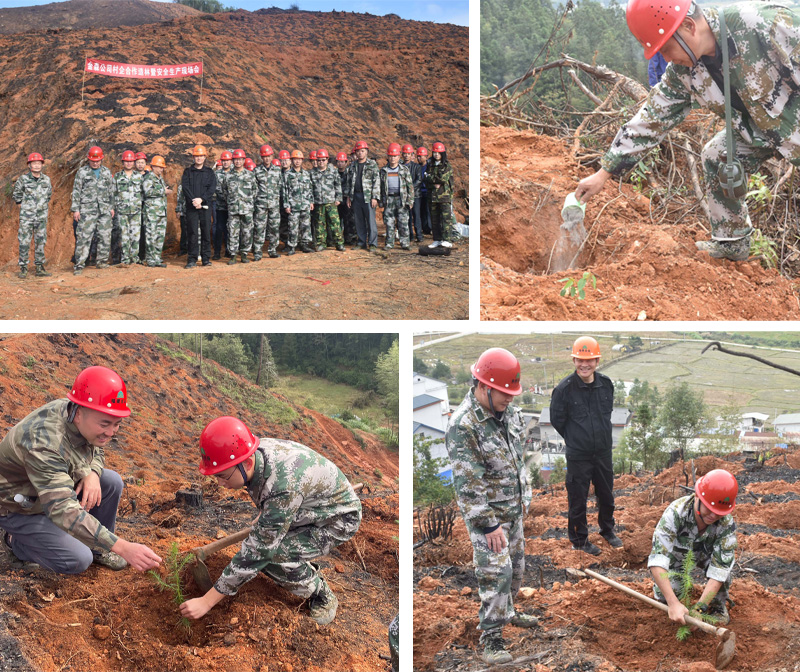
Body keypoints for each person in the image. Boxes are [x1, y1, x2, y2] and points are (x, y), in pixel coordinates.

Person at [576, 0, 800, 261]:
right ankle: (733, 242)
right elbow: (651, 118)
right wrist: (604, 173)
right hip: (760, 131)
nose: (666, 58)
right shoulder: (684, 71)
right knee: (718, 155)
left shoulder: (761, 24)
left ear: (688, 26)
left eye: (667, 48)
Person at [178, 417, 362, 626]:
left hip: (336, 518)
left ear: (246, 463)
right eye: (215, 477)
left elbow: (258, 552)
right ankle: (296, 559)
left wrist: (207, 601)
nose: (220, 483)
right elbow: (272, 496)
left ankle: (321, 594)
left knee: (272, 556)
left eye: (223, 476)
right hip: (305, 506)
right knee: (267, 543)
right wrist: (270, 513)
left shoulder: (283, 485)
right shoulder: (250, 452)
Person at [0, 366, 162, 575]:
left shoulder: (77, 413)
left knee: (110, 482)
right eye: (105, 424)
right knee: (77, 559)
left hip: (48, 487)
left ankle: (99, 547)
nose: (111, 432)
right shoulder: (45, 443)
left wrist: (92, 473)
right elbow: (62, 509)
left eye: (117, 424)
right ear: (79, 414)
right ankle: (16, 543)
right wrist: (122, 547)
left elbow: (96, 449)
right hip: (19, 506)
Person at [446, 348, 537, 665]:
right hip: (488, 518)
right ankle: (492, 640)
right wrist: (489, 525)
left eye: (513, 393)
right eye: (504, 393)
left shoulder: (509, 412)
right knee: (496, 576)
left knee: (516, 572)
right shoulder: (464, 426)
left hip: (513, 510)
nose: (510, 399)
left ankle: (509, 611)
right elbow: (468, 486)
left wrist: (523, 494)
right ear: (483, 386)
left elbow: (516, 454)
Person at [549, 337, 622, 556]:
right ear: (573, 359)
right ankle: (579, 540)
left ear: (597, 360)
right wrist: (576, 439)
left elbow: (606, 415)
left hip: (602, 452)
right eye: (580, 360)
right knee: (578, 499)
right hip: (578, 455)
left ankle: (607, 530)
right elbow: (557, 420)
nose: (584, 365)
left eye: (589, 360)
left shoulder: (606, 384)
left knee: (607, 495)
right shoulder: (564, 390)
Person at [649, 469, 738, 625]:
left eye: (718, 513)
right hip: (678, 558)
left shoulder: (726, 523)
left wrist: (700, 608)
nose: (713, 516)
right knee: (667, 594)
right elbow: (657, 560)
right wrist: (673, 602)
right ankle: (672, 601)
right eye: (709, 509)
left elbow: (720, 569)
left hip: (707, 557)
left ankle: (717, 607)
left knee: (725, 574)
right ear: (698, 496)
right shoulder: (675, 513)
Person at [71, 146, 116, 275]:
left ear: (101, 159)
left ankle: (101, 262)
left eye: (97, 161)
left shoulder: (107, 172)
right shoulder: (82, 172)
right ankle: (79, 264)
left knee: (105, 236)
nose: (95, 163)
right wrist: (76, 209)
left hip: (104, 210)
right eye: (93, 161)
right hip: (87, 210)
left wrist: (111, 207)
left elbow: (111, 191)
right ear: (88, 160)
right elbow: (76, 191)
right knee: (84, 237)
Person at [13, 152, 52, 279]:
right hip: (27, 217)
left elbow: (48, 195)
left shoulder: (46, 180)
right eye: (33, 163)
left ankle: (39, 267)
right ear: (29, 165)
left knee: (40, 241)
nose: (36, 165)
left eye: (38, 163)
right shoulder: (23, 179)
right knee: (24, 242)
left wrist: (40, 209)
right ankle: (23, 268)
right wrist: (25, 209)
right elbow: (17, 195)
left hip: (41, 217)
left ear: (42, 165)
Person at [181, 144, 216, 269]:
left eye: (201, 156)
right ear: (193, 157)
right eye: (197, 156)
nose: (199, 158)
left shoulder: (209, 172)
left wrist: (201, 199)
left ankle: (206, 259)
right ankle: (192, 259)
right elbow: (185, 187)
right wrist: (194, 201)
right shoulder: (187, 172)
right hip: (192, 207)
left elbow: (212, 188)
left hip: (205, 206)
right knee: (192, 233)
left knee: (206, 231)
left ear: (205, 157)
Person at [346, 140, 380, 251]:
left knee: (370, 221)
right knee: (359, 221)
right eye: (358, 151)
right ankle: (361, 242)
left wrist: (375, 196)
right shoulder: (352, 166)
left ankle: (373, 243)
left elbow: (376, 181)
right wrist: (349, 197)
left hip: (368, 197)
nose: (360, 153)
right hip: (356, 196)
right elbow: (349, 182)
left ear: (366, 152)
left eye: (362, 151)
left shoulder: (372, 164)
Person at [379, 143, 413, 250]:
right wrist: (381, 200)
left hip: (401, 199)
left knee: (403, 222)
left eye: (395, 156)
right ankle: (389, 243)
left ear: (399, 157)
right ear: (388, 157)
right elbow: (380, 186)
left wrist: (410, 201)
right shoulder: (383, 171)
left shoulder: (404, 170)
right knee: (389, 223)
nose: (393, 158)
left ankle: (405, 243)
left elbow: (410, 187)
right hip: (389, 199)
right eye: (391, 156)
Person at [226, 149, 257, 263]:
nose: (238, 162)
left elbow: (255, 191)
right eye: (235, 160)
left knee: (247, 231)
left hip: (247, 209)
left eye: (240, 159)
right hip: (233, 208)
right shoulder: (228, 176)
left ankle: (244, 254)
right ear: (233, 161)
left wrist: (248, 202)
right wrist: (231, 201)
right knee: (233, 232)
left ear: (244, 160)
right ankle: (233, 255)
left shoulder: (250, 175)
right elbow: (225, 191)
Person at [311, 148, 345, 252]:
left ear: (327, 160)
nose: (321, 162)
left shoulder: (333, 171)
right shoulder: (312, 173)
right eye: (319, 160)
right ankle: (321, 244)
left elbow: (338, 185)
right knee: (319, 225)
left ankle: (339, 243)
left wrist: (338, 198)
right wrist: (311, 201)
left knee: (335, 223)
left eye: (323, 160)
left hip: (331, 202)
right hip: (318, 202)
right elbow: (310, 188)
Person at [114, 150, 144, 267]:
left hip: (136, 211)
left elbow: (143, 193)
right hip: (122, 211)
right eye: (126, 161)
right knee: (124, 236)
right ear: (123, 162)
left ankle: (134, 259)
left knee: (135, 235)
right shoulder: (117, 176)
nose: (129, 163)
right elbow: (113, 193)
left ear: (134, 162)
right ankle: (125, 259)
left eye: (131, 161)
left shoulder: (139, 177)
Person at [141, 155, 172, 268]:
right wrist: (163, 190)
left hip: (160, 212)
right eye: (159, 167)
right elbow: (147, 191)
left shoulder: (160, 179)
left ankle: (157, 258)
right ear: (153, 166)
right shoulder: (148, 178)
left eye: (162, 167)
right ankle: (150, 259)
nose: (161, 169)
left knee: (159, 236)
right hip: (151, 213)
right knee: (151, 236)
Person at [282, 150, 315, 255]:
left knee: (305, 226)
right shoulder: (287, 175)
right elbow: (285, 191)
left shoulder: (306, 174)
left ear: (302, 161)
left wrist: (311, 202)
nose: (297, 162)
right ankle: (292, 246)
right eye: (295, 159)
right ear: (292, 160)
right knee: (293, 227)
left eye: (299, 160)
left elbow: (310, 189)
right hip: (293, 205)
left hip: (305, 204)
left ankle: (305, 244)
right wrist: (286, 205)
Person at [253, 144, 283, 259]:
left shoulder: (277, 170)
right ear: (261, 157)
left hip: (274, 204)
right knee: (259, 228)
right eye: (264, 156)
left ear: (272, 156)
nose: (266, 158)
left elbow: (279, 186)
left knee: (274, 228)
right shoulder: (256, 171)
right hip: (261, 204)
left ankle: (272, 250)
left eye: (268, 156)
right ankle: (257, 251)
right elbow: (254, 188)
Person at [425, 142, 454, 249]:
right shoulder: (430, 165)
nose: (436, 155)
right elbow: (426, 178)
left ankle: (447, 239)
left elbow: (443, 178)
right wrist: (433, 182)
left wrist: (431, 178)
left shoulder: (446, 165)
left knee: (446, 218)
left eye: (438, 153)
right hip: (433, 196)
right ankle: (437, 239)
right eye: (435, 152)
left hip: (444, 197)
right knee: (434, 219)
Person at [401, 143, 424, 243]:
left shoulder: (416, 167)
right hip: (404, 196)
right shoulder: (400, 166)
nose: (406, 155)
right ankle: (410, 236)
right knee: (407, 216)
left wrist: (409, 188)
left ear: (412, 155)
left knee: (416, 215)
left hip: (416, 195)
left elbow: (419, 180)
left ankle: (419, 235)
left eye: (408, 153)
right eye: (405, 153)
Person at [214, 150, 233, 260]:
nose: (225, 163)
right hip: (220, 206)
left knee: (230, 229)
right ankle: (217, 252)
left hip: (231, 207)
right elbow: (216, 188)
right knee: (219, 228)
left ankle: (228, 250)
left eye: (227, 160)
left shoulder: (234, 173)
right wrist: (225, 198)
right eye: (224, 161)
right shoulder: (217, 174)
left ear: (231, 161)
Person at [336, 152, 356, 244]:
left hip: (347, 199)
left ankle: (349, 238)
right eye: (338, 162)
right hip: (337, 200)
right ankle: (338, 239)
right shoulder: (334, 173)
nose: (340, 163)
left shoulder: (350, 173)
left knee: (349, 220)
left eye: (342, 162)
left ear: (346, 162)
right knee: (337, 220)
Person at [416, 146, 431, 236]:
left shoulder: (429, 167)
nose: (419, 158)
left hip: (427, 192)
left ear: (426, 156)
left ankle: (429, 228)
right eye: (418, 156)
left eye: (421, 156)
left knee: (428, 211)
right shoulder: (417, 167)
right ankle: (424, 228)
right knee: (421, 211)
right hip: (419, 192)